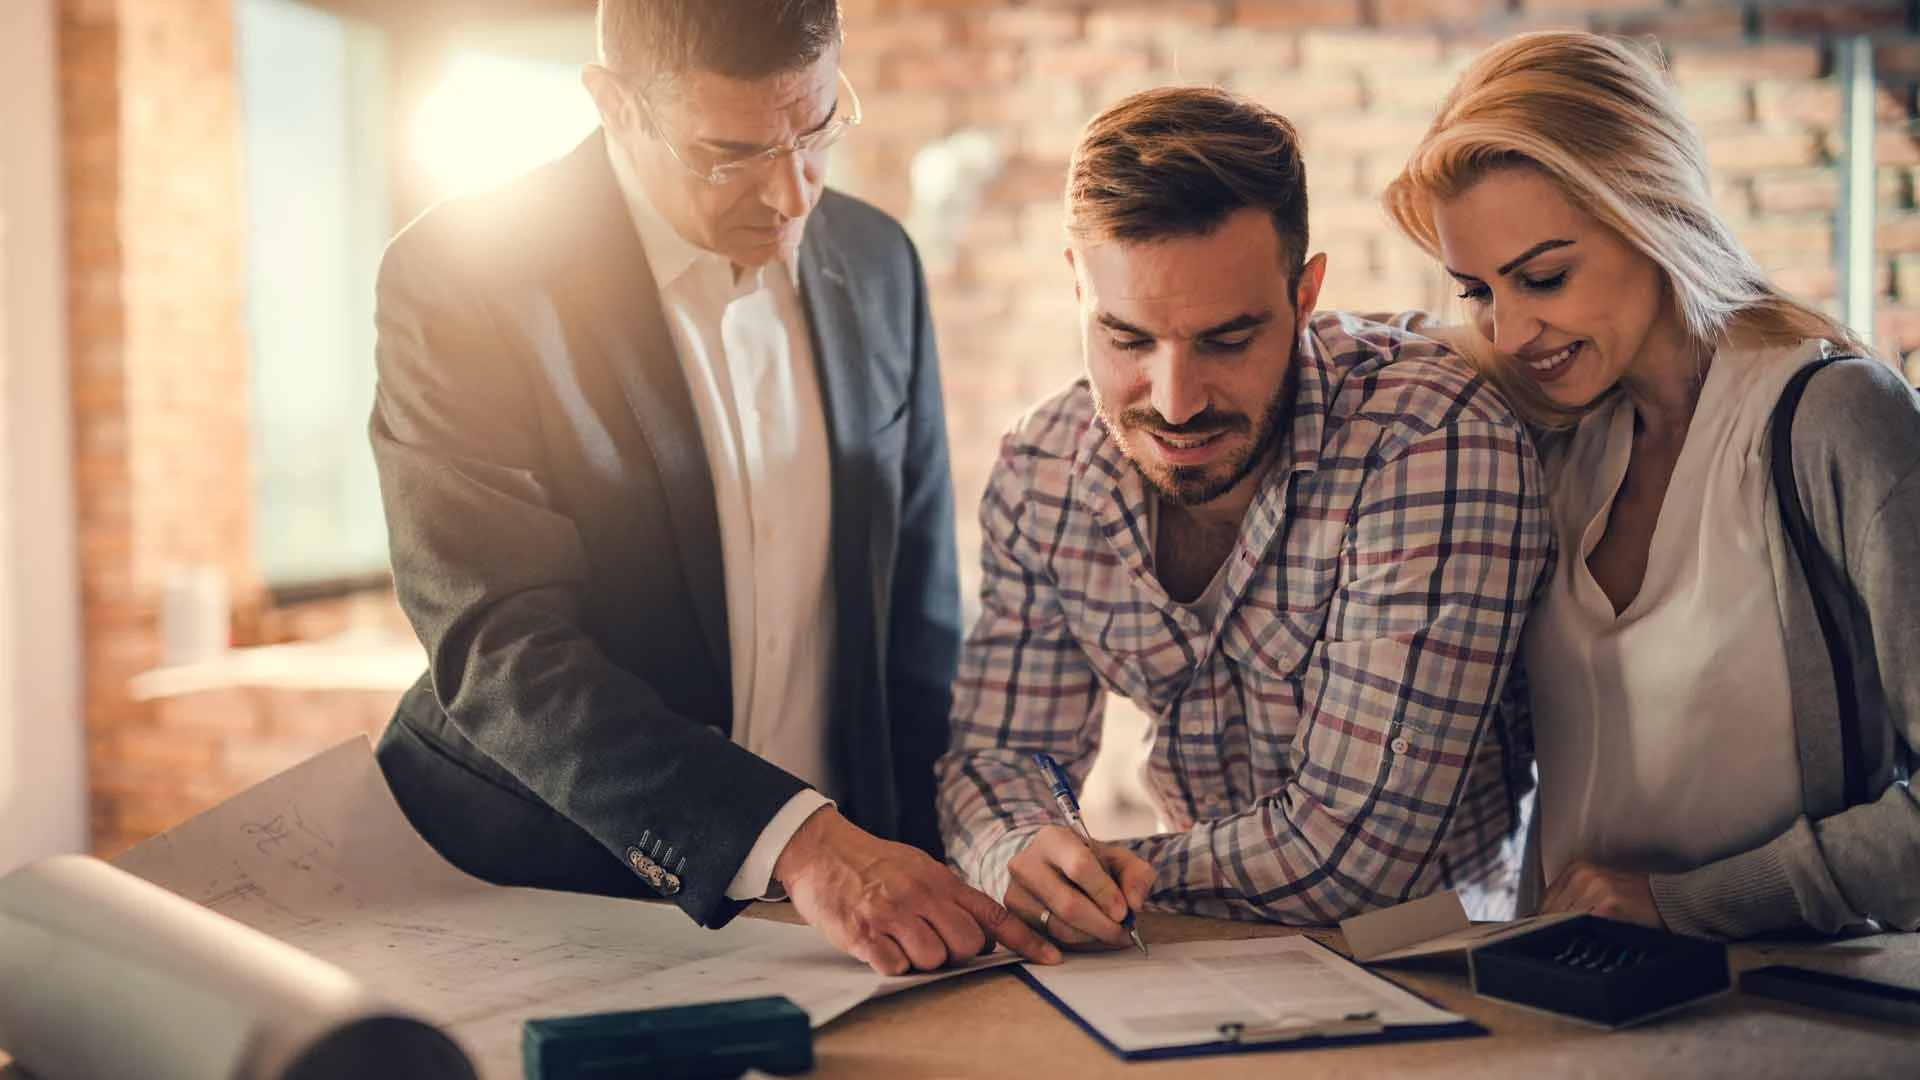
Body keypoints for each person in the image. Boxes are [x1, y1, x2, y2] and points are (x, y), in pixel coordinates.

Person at [368, 0, 1056, 975]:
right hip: (538, 885)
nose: (790, 194)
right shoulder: (460, 276)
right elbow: (497, 645)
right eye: (726, 154)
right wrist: (799, 841)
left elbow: (917, 623)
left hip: (828, 925)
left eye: (815, 130)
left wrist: (959, 857)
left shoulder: (879, 259)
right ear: (613, 103)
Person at [936, 86, 1553, 944]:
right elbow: (999, 758)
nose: (1177, 403)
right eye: (1127, 340)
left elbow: (1356, 857)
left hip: (1441, 977)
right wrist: (1020, 844)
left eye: (1227, 340)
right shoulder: (1043, 470)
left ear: (1306, 294)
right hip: (1191, 964)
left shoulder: (1428, 439)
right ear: (1075, 286)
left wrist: (1108, 876)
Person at [1382, 30, 1920, 938]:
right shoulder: (1549, 438)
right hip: (1565, 1007)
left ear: (1653, 215)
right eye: (1475, 290)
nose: (1511, 330)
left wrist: (1685, 905)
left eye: (1544, 276)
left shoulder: (1836, 420)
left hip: (1798, 1030)